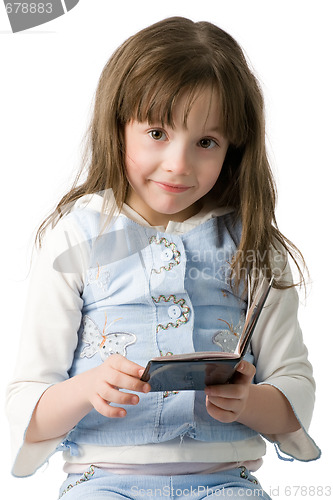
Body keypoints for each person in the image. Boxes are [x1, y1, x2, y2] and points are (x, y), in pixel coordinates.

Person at [6, 16, 320, 499]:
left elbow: (294, 390)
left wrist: (249, 401)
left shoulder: (255, 246)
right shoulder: (76, 237)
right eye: (157, 132)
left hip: (225, 482)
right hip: (103, 481)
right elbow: (28, 400)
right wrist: (87, 388)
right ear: (119, 126)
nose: (178, 163)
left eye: (206, 142)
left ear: (234, 149)